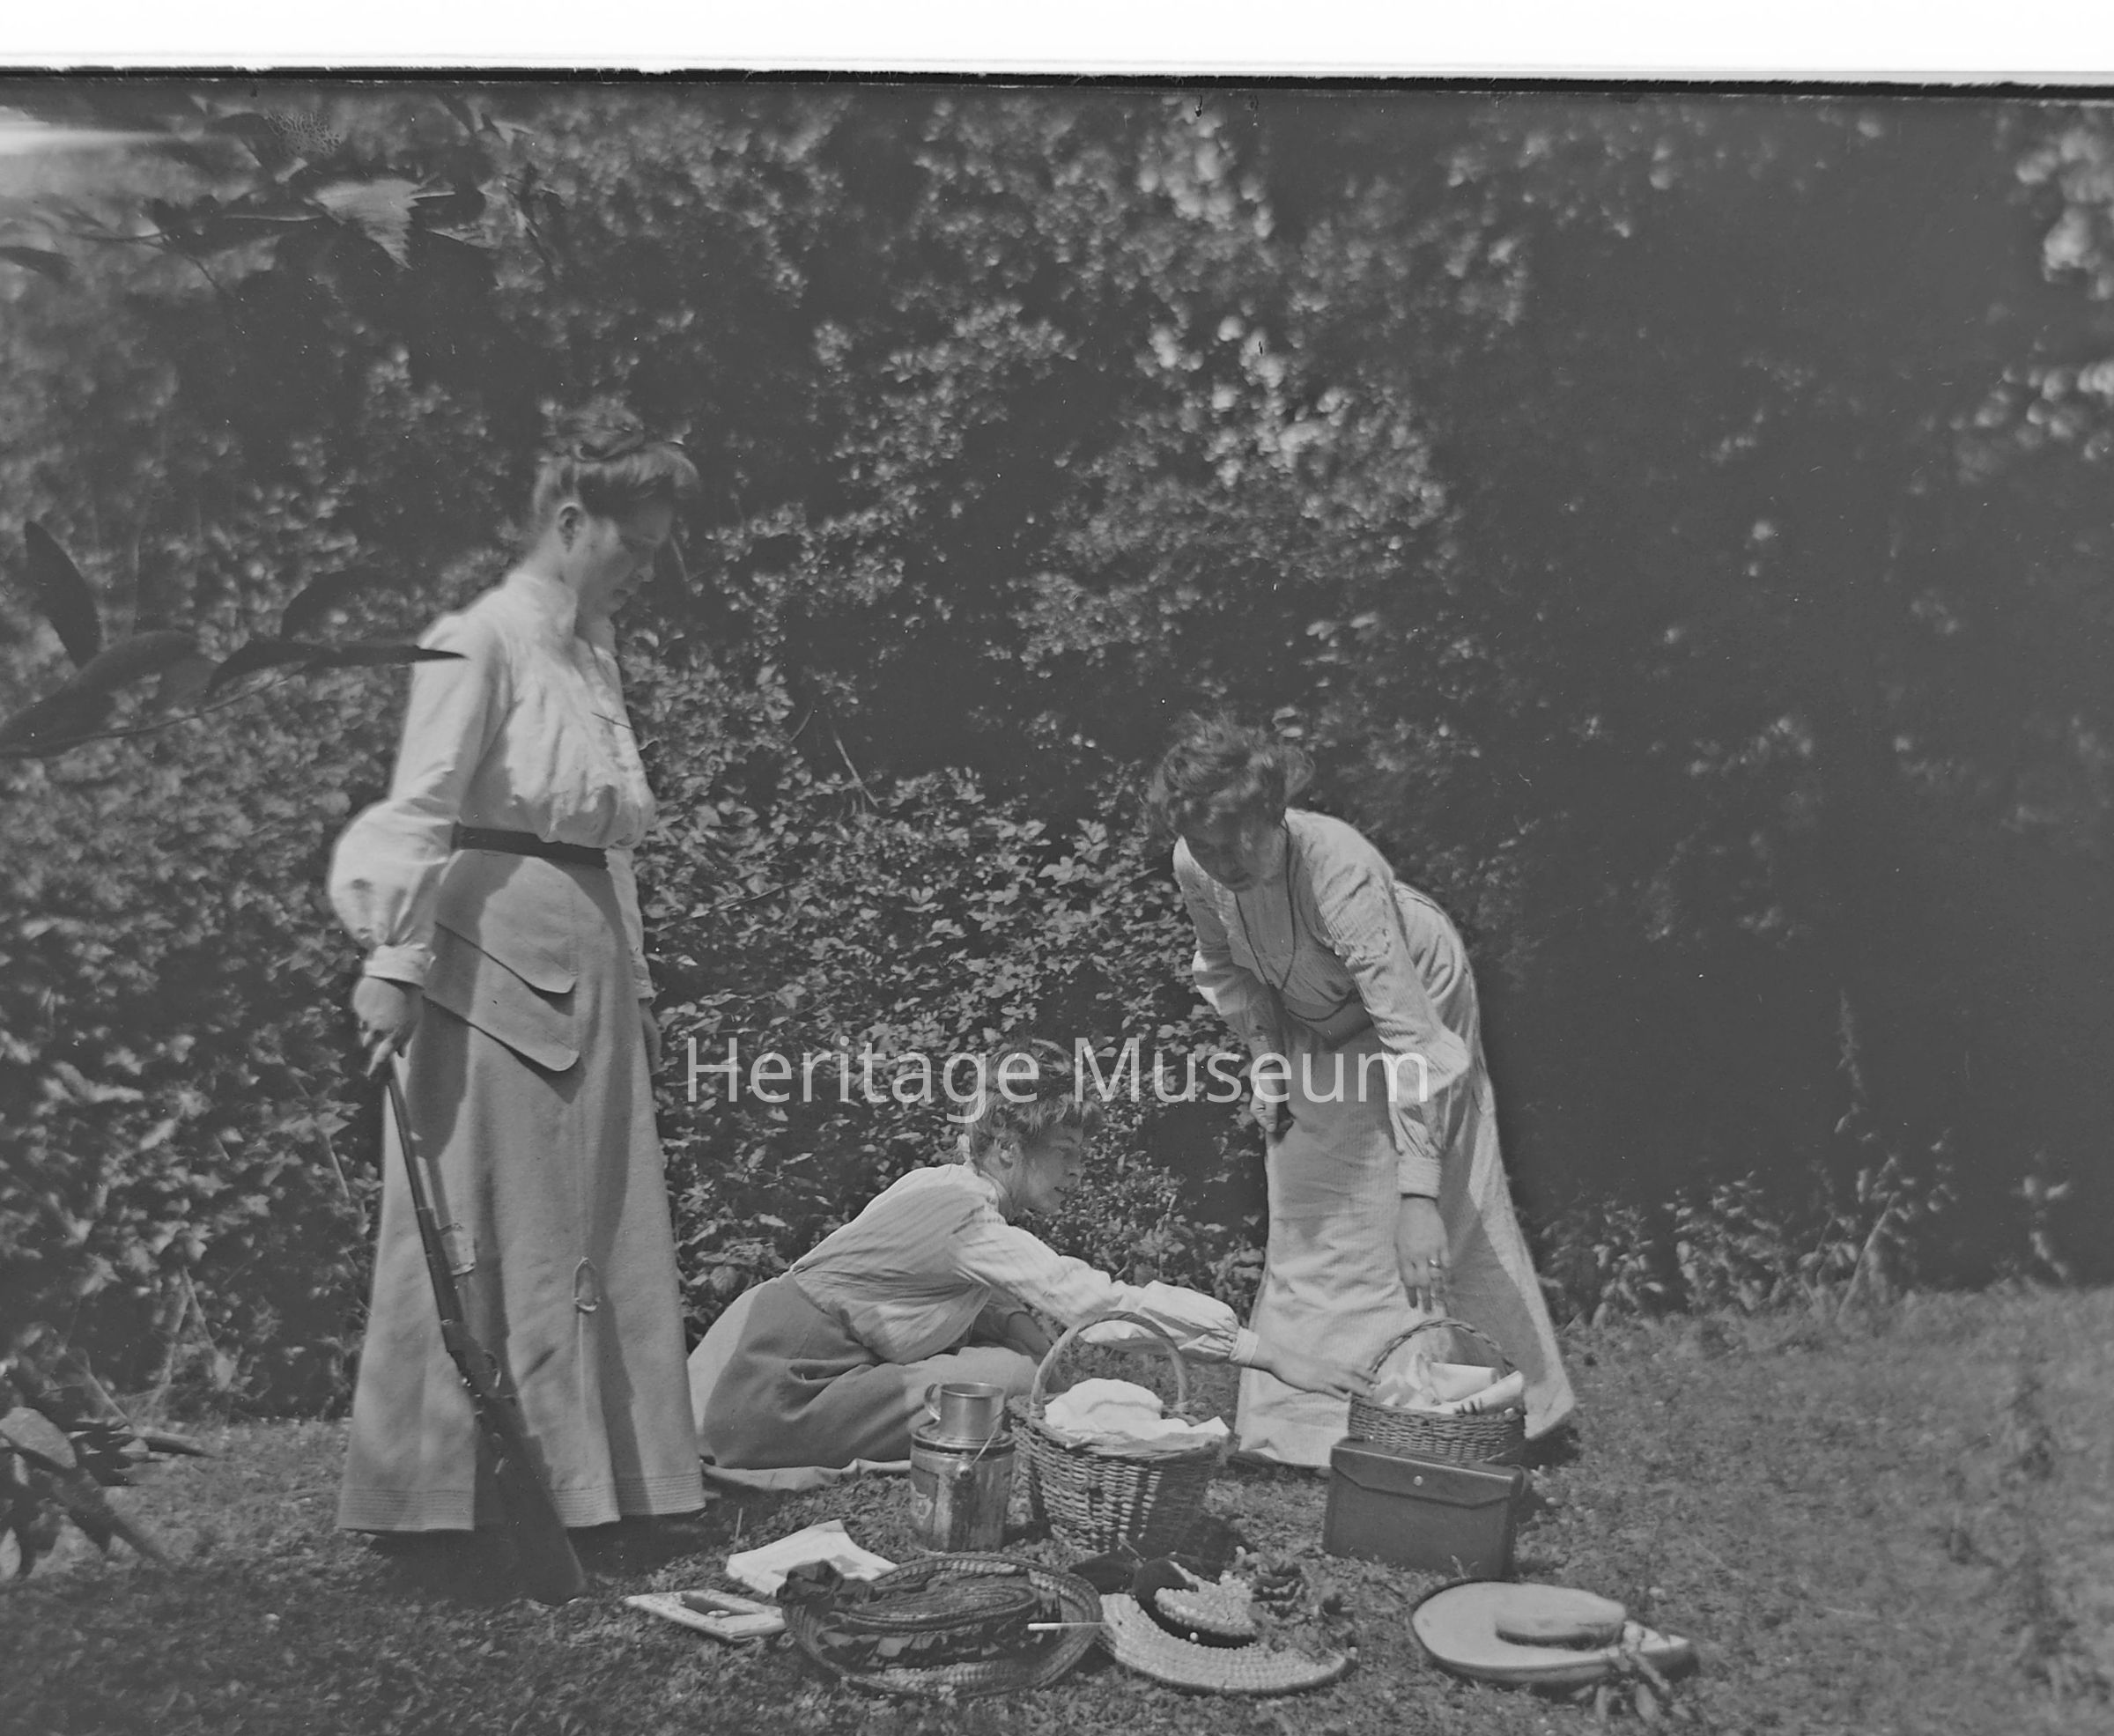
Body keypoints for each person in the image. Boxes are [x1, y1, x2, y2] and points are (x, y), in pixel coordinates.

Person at [327, 401, 707, 1537]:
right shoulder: (481, 637)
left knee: (599, 1222)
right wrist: (395, 960)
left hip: (591, 953)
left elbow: (609, 846)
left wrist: (639, 984)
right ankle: (450, 1495)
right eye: (634, 546)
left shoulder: (592, 655)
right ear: (572, 520)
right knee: (491, 1212)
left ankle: (604, 1486)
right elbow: (423, 807)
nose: (645, 571)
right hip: (489, 951)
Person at [1149, 715, 1576, 1467]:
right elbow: (1228, 968)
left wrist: (1418, 1196)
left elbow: (1410, 1041)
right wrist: (1267, 1063)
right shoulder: (1196, 864)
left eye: (1236, 843)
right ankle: (1302, 1434)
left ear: (1272, 815)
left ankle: (1496, 1410)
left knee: (1424, 1210)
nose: (1221, 863)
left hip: (1416, 1000)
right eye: (1206, 847)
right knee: (1308, 1200)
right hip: (1309, 1012)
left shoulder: (1339, 872)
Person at [688, 1050, 1370, 1487]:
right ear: (1010, 1148)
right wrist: (1262, 1352)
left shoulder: (939, 1185)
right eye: (1065, 1152)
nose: (1078, 1172)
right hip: (773, 1393)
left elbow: (970, 1293)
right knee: (1011, 1383)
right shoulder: (968, 1219)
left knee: (1017, 1362)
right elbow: (1096, 1306)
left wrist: (1030, 1338)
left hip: (737, 1363)